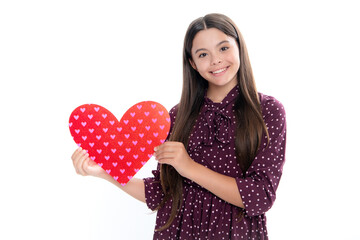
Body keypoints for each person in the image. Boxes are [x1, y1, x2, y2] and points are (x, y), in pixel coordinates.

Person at [72, 13, 286, 240]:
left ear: (239, 47)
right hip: (178, 233)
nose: (215, 60)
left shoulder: (267, 111)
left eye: (223, 48)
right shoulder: (176, 115)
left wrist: (188, 166)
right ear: (193, 63)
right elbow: (161, 192)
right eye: (203, 54)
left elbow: (260, 196)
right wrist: (104, 172)